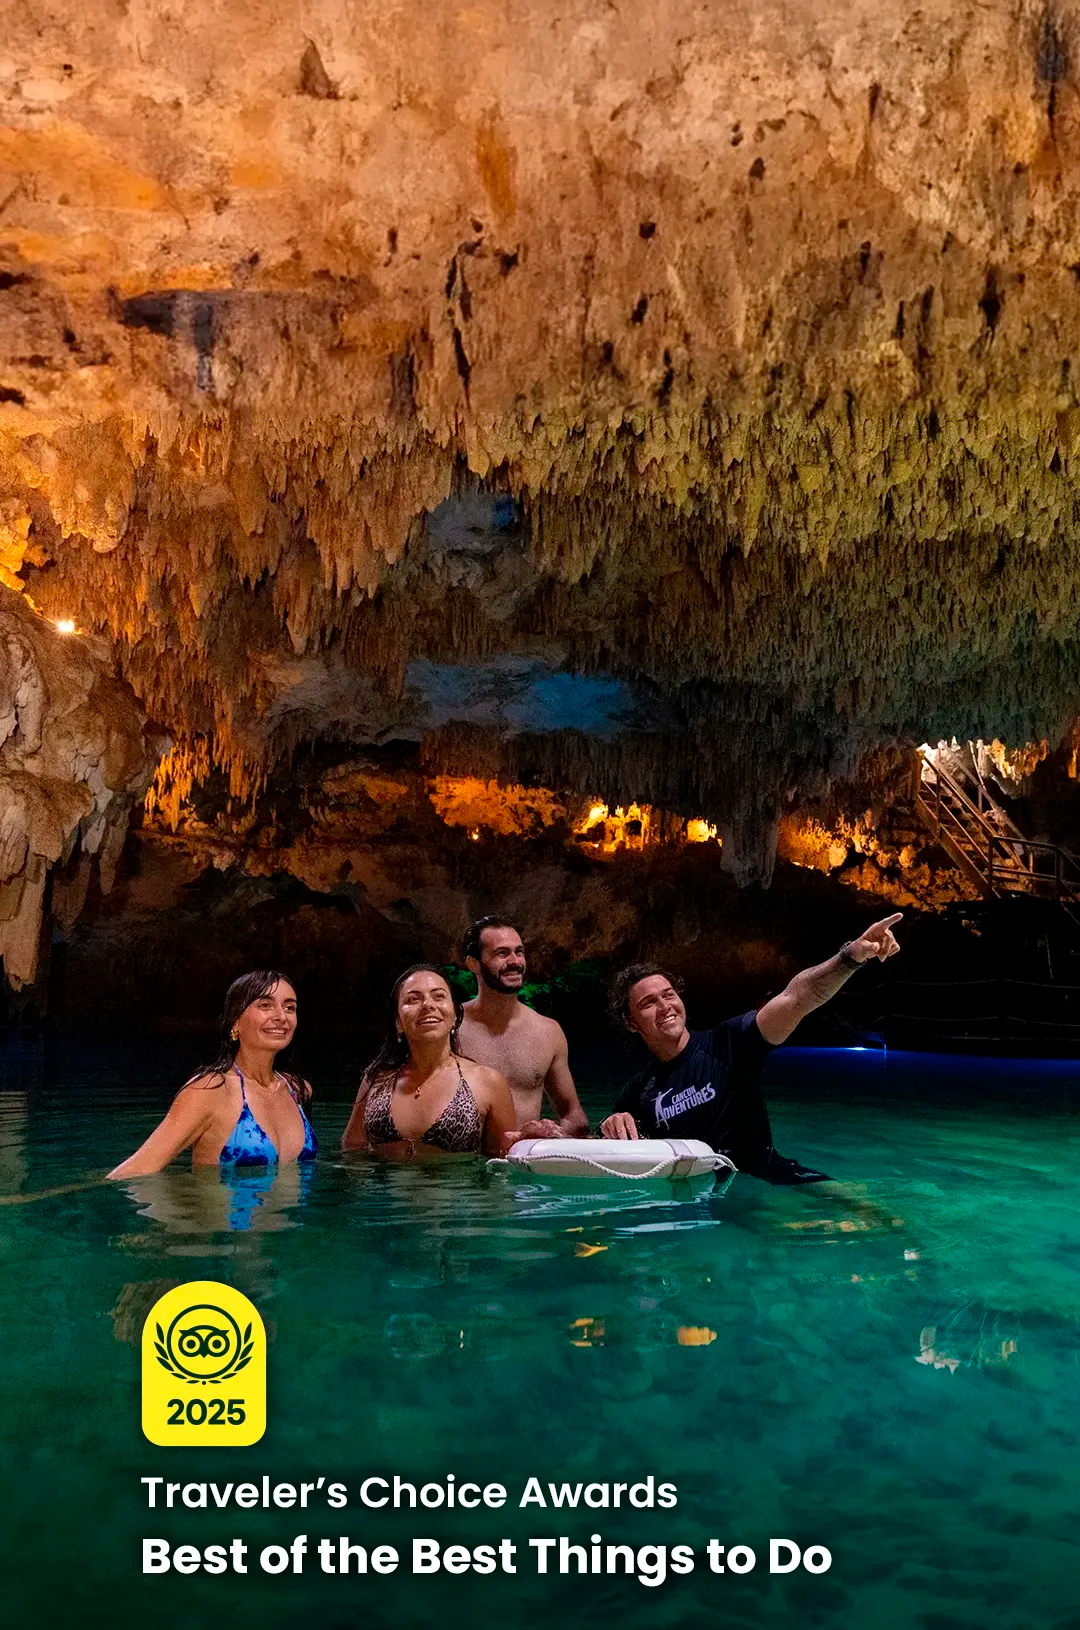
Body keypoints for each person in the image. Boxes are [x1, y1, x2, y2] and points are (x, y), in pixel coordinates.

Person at [600, 914, 903, 1183]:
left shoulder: (731, 1043)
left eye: (668, 994)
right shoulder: (636, 1094)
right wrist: (609, 1125)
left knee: (869, 1218)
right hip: (693, 1199)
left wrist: (851, 956)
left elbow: (797, 997)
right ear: (631, 1023)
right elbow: (605, 1154)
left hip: (764, 1176)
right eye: (649, 1003)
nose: (665, 1006)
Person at [108, 971, 317, 1178]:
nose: (281, 1017)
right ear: (235, 1021)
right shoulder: (209, 1090)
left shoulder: (298, 1090)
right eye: (265, 1005)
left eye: (290, 1008)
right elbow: (137, 1168)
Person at [342, 964, 518, 1157]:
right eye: (413, 999)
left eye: (439, 996)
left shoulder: (488, 1082)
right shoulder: (376, 1079)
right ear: (398, 1022)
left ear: (455, 1016)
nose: (428, 1005)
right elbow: (352, 1155)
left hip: (458, 1186)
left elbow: (503, 1166)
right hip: (387, 1186)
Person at [457, 916, 588, 1139]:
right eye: (502, 953)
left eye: (519, 952)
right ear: (473, 963)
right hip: (466, 1164)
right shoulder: (451, 1026)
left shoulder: (548, 1032)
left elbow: (573, 1116)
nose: (515, 961)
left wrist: (553, 1136)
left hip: (521, 1165)